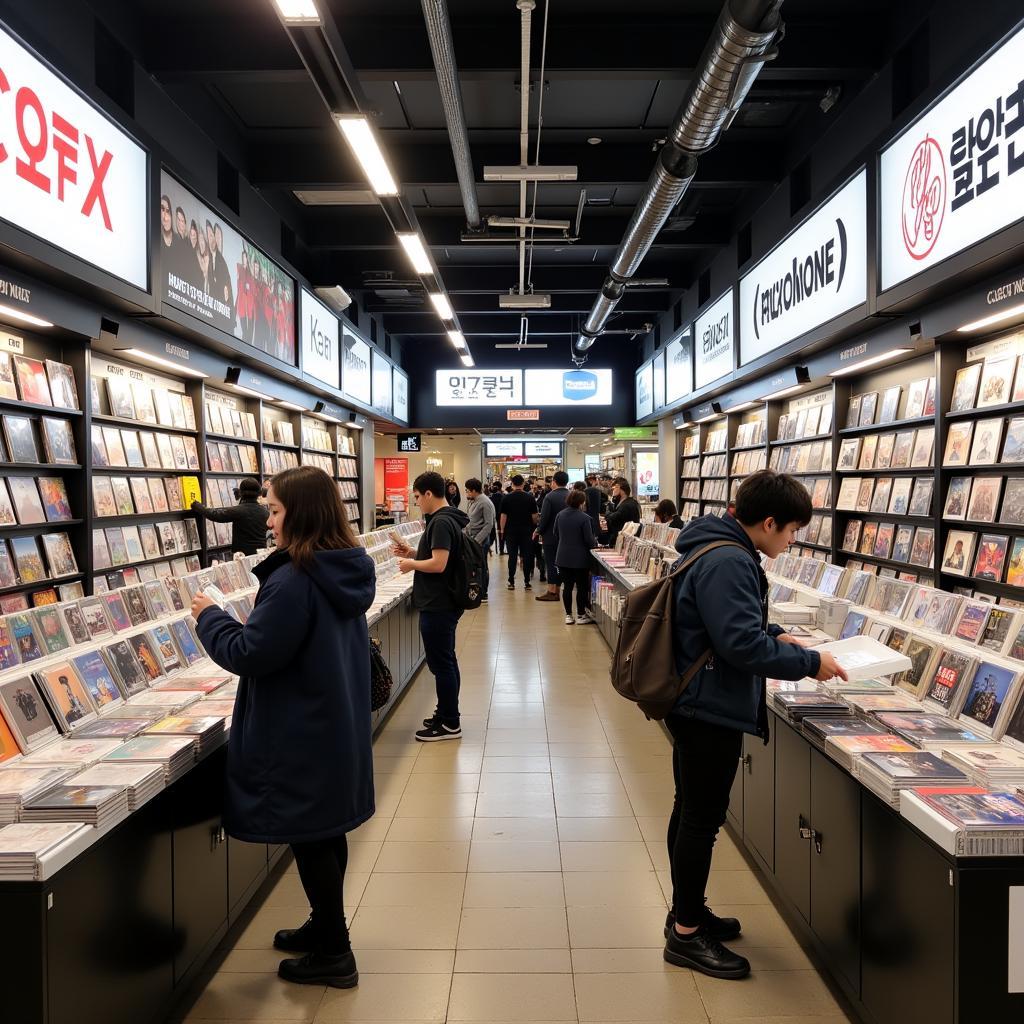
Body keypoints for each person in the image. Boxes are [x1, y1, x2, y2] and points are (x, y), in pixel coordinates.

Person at [190, 466, 376, 989]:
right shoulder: (338, 568)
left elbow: (251, 653)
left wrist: (211, 616)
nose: (268, 522)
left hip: (299, 731)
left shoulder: (295, 579)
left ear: (303, 513)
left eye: (274, 510)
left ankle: (335, 951)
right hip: (328, 723)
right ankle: (324, 926)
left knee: (312, 837)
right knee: (324, 830)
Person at [663, 470, 847, 981]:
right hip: (708, 706)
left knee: (691, 809)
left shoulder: (718, 546)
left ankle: (687, 911)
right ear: (768, 523)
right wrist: (810, 662)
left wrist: (776, 633)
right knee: (701, 816)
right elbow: (738, 644)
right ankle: (685, 935)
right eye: (791, 532)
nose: (791, 542)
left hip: (697, 699)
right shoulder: (729, 560)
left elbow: (726, 623)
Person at [391, 472, 469, 741]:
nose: (416, 502)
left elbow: (438, 564)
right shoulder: (449, 519)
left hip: (439, 602)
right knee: (446, 660)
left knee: (441, 664)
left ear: (428, 494)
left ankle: (450, 723)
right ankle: (447, 713)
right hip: (444, 600)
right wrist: (413, 553)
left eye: (416, 497)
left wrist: (412, 564)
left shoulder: (441, 522)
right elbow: (438, 556)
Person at [190, 477, 270, 556]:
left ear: (241, 492)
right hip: (261, 554)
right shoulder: (265, 512)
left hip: (242, 555)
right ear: (259, 493)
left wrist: (198, 507)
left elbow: (215, 515)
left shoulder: (238, 511)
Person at [553, 490, 597, 624]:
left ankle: (568, 615)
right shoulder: (585, 518)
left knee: (567, 586)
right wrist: (595, 543)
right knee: (581, 586)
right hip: (580, 558)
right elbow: (589, 540)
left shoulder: (560, 515)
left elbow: (556, 533)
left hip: (562, 556)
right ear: (582, 502)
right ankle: (581, 615)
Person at [535, 470, 570, 602]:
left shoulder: (549, 497)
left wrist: (538, 530)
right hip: (567, 536)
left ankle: (552, 591)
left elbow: (544, 518)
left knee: (551, 562)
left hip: (551, 535)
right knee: (562, 563)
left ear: (554, 482)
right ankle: (559, 588)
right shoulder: (571, 495)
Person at [499, 474, 539, 590]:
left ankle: (511, 581)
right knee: (526, 555)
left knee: (512, 556)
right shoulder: (530, 497)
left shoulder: (506, 498)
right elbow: (535, 516)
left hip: (511, 531)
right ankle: (527, 582)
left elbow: (503, 516)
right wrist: (535, 526)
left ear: (512, 484)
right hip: (527, 531)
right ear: (523, 484)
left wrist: (502, 530)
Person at [464, 478, 495, 602]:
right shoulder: (472, 501)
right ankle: (476, 590)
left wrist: (477, 541)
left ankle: (483, 592)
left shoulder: (485, 502)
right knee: (474, 566)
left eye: (467, 491)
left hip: (480, 541)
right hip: (472, 539)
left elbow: (489, 524)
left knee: (481, 566)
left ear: (473, 490)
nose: (466, 493)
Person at [602, 477, 641, 546]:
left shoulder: (628, 505)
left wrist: (608, 512)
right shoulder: (621, 503)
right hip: (618, 541)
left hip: (624, 543)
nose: (612, 491)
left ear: (619, 488)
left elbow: (612, 517)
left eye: (614, 488)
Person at [488, 482, 505, 554]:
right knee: (501, 532)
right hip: (501, 516)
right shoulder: (503, 496)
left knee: (493, 533)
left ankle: (490, 546)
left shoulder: (490, 497)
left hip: (493, 517)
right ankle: (501, 549)